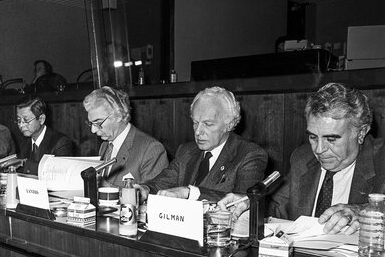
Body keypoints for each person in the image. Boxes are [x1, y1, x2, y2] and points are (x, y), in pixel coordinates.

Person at [218, 82, 385, 235]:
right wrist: (251, 205)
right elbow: (275, 211)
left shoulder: (381, 159)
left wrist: (362, 210)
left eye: (331, 139)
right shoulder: (303, 158)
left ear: (361, 133)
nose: (319, 150)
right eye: (313, 137)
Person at [138, 86, 268, 202]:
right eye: (195, 122)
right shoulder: (186, 151)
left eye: (208, 124)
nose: (198, 132)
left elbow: (243, 201)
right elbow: (161, 183)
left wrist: (189, 193)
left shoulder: (249, 154)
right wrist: (144, 189)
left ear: (229, 124)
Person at [83, 86, 168, 189]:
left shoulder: (151, 149)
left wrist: (107, 188)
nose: (93, 130)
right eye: (91, 123)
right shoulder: (105, 146)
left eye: (98, 122)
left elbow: (154, 197)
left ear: (118, 116)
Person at [15, 95, 73, 174]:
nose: (21, 125)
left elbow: (59, 174)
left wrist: (25, 164)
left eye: (26, 120)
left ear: (41, 119)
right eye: (18, 120)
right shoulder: (22, 142)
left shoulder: (61, 142)